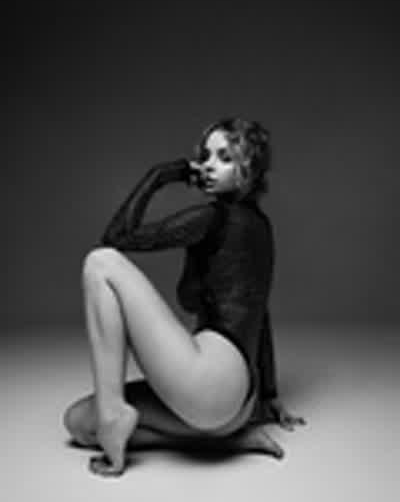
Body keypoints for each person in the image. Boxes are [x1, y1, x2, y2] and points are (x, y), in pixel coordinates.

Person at [63, 117, 305, 477]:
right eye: (205, 156)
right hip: (236, 403)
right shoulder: (260, 226)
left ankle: (114, 413)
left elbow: (116, 238)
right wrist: (267, 395)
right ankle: (225, 442)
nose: (209, 165)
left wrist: (159, 176)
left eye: (224, 157)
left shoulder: (214, 218)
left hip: (211, 383)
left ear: (249, 170)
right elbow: (259, 314)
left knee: (100, 263)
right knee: (79, 423)